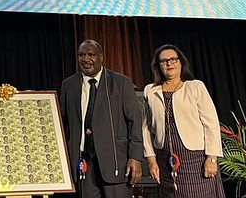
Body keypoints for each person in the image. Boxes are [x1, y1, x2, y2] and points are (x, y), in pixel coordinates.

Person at [59, 40, 143, 198]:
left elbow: (135, 121)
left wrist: (135, 157)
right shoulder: (68, 85)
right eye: (81, 55)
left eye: (91, 55)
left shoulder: (121, 82)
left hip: (116, 162)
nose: (85, 59)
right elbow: (61, 123)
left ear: (101, 57)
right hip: (83, 164)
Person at [141, 44, 224, 198]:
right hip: (164, 161)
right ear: (158, 66)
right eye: (164, 61)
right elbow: (146, 129)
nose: (169, 63)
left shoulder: (195, 87)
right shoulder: (150, 91)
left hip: (195, 159)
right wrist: (151, 160)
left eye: (173, 59)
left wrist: (212, 158)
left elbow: (211, 123)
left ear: (181, 62)